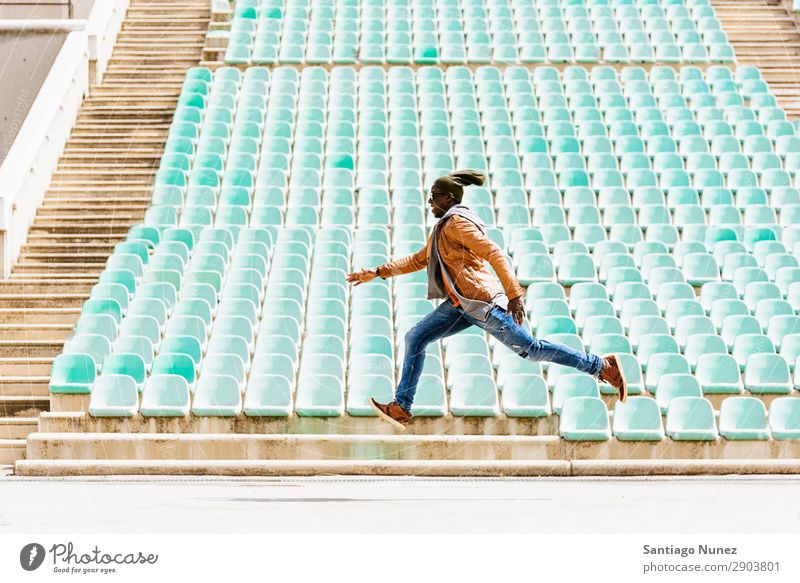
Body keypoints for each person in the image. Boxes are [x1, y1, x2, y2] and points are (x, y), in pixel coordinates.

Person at [345, 170, 626, 430]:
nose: (429, 201)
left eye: (434, 195)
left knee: (532, 349)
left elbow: (494, 253)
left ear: (449, 198)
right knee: (415, 337)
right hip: (461, 306)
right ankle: (401, 408)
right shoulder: (442, 228)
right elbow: (419, 259)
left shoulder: (457, 224)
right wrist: (377, 272)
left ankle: (602, 366)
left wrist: (514, 294)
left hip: (483, 304)